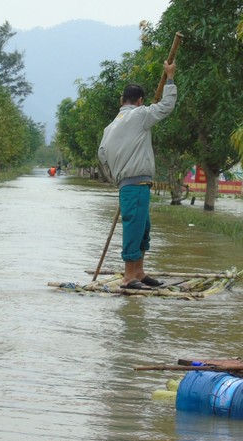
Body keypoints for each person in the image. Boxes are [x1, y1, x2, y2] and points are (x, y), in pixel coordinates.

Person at [98, 60, 177, 290]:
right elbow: (166, 106)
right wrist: (169, 78)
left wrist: (116, 175)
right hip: (134, 184)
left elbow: (102, 155)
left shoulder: (111, 126)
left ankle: (139, 273)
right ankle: (128, 277)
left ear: (122, 101)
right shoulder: (141, 115)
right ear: (140, 101)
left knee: (143, 227)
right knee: (134, 228)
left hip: (130, 184)